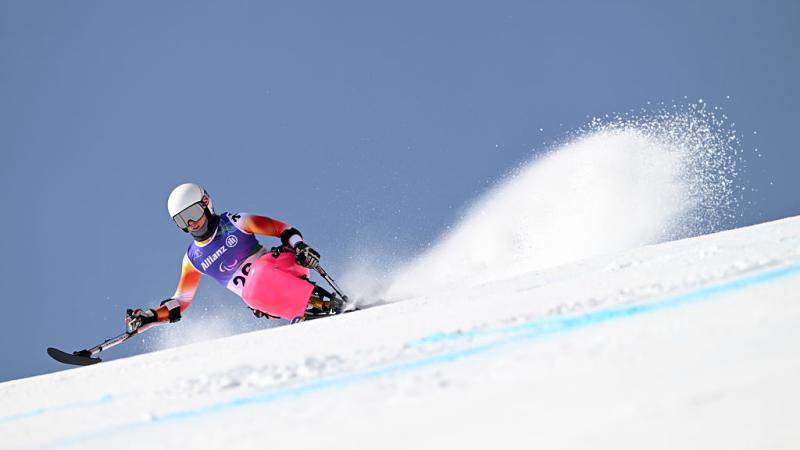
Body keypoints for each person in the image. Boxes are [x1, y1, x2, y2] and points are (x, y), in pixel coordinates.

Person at [126, 183, 340, 331]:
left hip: (283, 266)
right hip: (263, 297)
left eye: (193, 214)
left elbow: (282, 229)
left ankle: (328, 303)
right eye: (182, 220)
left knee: (258, 274)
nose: (191, 223)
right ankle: (312, 313)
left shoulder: (234, 222)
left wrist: (300, 246)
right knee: (251, 295)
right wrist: (150, 317)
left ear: (206, 203)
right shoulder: (193, 259)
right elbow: (181, 301)